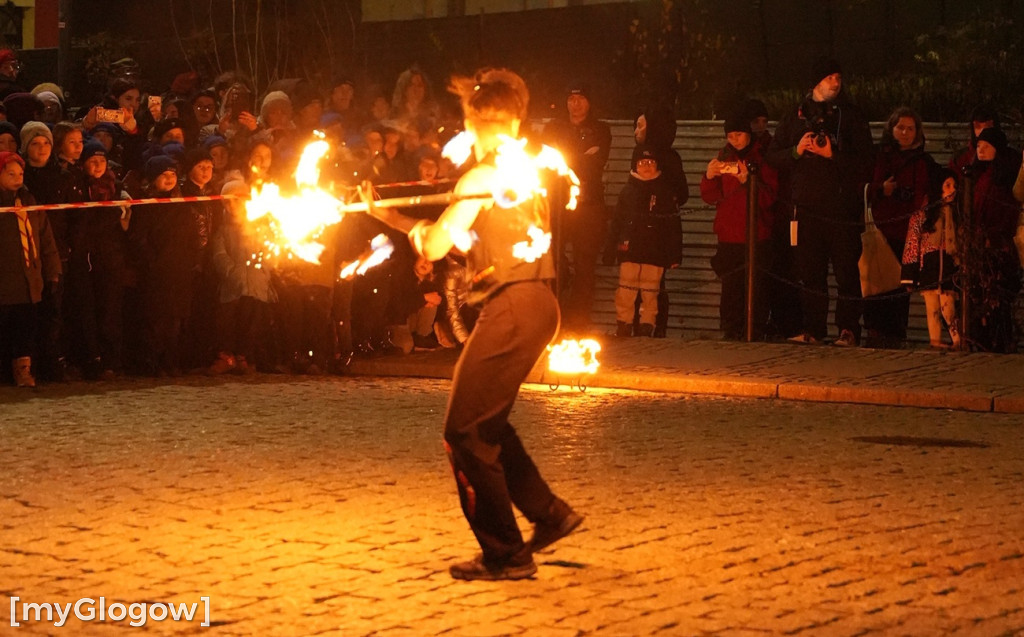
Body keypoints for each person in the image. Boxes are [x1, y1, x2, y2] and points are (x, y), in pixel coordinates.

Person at [359, 68, 582, 581]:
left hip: (513, 306)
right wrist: (396, 218)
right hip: (537, 303)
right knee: (488, 425)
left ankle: (506, 553)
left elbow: (438, 245)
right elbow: (466, 238)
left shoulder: (480, 179)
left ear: (472, 122)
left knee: (462, 432)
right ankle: (549, 513)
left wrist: (398, 224)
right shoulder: (521, 171)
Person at [767, 58, 874, 346]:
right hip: (805, 208)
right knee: (810, 274)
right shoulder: (795, 116)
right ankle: (814, 329)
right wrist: (797, 150)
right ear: (816, 82)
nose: (835, 83)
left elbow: (866, 160)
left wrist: (833, 155)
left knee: (847, 273)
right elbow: (773, 156)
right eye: (829, 78)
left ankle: (848, 329)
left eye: (838, 77)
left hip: (841, 209)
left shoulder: (851, 116)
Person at [700, 116, 777, 340]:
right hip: (729, 235)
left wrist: (748, 181)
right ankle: (731, 330)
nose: (735, 140)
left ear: (748, 134)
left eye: (739, 135)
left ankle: (755, 329)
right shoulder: (723, 156)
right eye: (730, 136)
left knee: (757, 287)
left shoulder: (763, 157)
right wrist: (709, 176)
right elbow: (710, 196)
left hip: (756, 235)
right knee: (731, 287)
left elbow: (770, 197)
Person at [543, 82, 611, 332]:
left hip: (589, 204)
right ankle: (552, 318)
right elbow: (547, 164)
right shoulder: (553, 127)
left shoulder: (600, 130)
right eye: (571, 99)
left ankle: (578, 322)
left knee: (585, 264)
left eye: (580, 98)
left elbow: (595, 165)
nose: (575, 104)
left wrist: (564, 159)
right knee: (553, 261)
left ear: (589, 102)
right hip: (557, 203)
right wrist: (580, 157)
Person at [866, 107, 934, 348]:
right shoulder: (880, 156)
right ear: (891, 129)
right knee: (877, 282)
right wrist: (882, 189)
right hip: (882, 229)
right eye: (900, 128)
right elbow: (866, 186)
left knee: (901, 285)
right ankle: (875, 331)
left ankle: (896, 333)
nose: (905, 133)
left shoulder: (923, 161)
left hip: (908, 231)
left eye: (910, 129)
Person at [607, 145, 682, 337]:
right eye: (642, 162)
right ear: (635, 165)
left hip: (655, 252)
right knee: (625, 289)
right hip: (629, 249)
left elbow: (673, 226)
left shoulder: (665, 192)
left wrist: (674, 254)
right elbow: (616, 222)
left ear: (657, 165)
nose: (646, 166)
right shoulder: (627, 191)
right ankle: (624, 323)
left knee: (651, 291)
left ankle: (647, 324)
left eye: (650, 162)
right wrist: (610, 250)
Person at [0, 151, 61, 387]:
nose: (17, 178)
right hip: (4, 278)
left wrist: (52, 270)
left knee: (25, 328)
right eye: (11, 174)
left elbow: (45, 238)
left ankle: (23, 370)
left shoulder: (29, 201)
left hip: (27, 279)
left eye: (20, 174)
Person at [632, 104, 687, 337]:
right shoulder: (639, 153)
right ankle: (635, 327)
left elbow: (682, 194)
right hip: (636, 231)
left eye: (641, 125)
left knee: (654, 284)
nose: (636, 131)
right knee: (632, 282)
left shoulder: (669, 158)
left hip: (658, 233)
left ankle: (655, 329)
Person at [901, 168, 960, 350]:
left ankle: (958, 340)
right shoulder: (924, 214)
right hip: (929, 267)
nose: (952, 190)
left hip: (949, 266)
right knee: (932, 307)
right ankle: (935, 341)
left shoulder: (956, 213)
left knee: (948, 306)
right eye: (947, 185)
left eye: (954, 186)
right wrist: (909, 274)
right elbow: (912, 243)